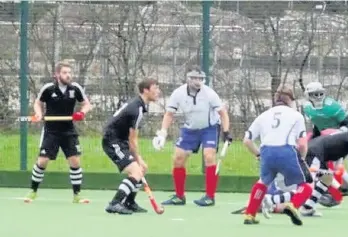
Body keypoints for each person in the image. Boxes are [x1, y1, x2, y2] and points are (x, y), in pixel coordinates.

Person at [153, 65, 232, 207]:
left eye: (200, 78)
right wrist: (163, 133)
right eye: (194, 78)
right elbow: (169, 114)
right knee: (178, 158)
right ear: (188, 79)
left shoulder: (209, 93)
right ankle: (179, 196)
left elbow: (223, 114)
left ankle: (209, 196)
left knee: (209, 156)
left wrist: (226, 132)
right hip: (190, 129)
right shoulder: (178, 93)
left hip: (210, 127)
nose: (197, 81)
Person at [261, 119, 348, 217]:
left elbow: (337, 166)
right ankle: (270, 200)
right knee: (308, 188)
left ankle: (308, 207)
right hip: (313, 155)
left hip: (315, 155)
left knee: (327, 178)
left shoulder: (344, 142)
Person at [242, 84, 313, 226]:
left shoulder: (263, 116)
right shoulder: (296, 116)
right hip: (287, 150)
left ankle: (250, 214)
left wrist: (258, 154)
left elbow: (247, 140)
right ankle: (293, 205)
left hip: (266, 151)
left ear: (275, 99)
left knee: (263, 182)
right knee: (308, 184)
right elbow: (302, 143)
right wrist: (302, 160)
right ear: (291, 100)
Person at [24, 61, 91, 204]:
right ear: (57, 75)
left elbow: (86, 104)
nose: (68, 75)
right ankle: (33, 191)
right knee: (43, 161)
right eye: (65, 73)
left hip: (68, 130)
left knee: (75, 161)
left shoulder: (75, 88)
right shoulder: (48, 88)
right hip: (51, 130)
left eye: (69, 73)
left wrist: (81, 113)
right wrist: (38, 114)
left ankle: (77, 195)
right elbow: (38, 102)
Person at [102, 79, 160, 215]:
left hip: (121, 140)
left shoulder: (139, 104)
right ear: (146, 90)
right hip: (113, 141)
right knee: (136, 171)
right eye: (155, 88)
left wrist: (138, 160)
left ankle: (129, 202)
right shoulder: (137, 109)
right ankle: (115, 203)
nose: (158, 91)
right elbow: (133, 139)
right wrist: (137, 158)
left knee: (142, 168)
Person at [302, 81, 348, 206]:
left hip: (338, 137)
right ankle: (330, 191)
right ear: (308, 95)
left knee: (334, 166)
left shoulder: (332, 105)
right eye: (314, 94)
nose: (318, 97)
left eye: (320, 93)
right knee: (317, 165)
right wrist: (314, 140)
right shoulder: (307, 108)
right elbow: (318, 125)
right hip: (323, 139)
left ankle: (344, 187)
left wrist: (339, 134)